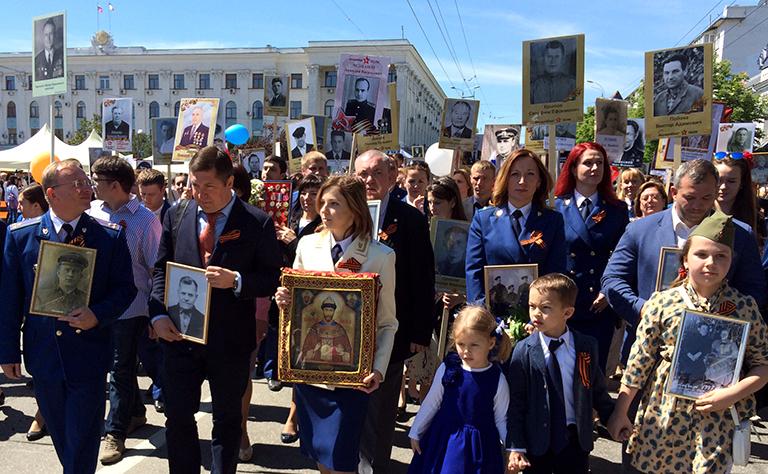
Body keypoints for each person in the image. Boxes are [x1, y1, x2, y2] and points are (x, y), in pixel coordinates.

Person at [148, 146, 282, 473]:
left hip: (230, 342)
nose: (199, 193)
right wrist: (158, 314)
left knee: (227, 419)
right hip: (181, 336)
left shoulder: (257, 222)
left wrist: (236, 280)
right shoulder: (176, 214)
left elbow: (270, 278)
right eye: (194, 185)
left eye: (208, 186)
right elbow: (161, 269)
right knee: (178, 417)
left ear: (229, 183)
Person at [0, 159, 136, 473]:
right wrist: (7, 350)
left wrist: (97, 314)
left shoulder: (109, 237)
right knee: (63, 437)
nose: (87, 188)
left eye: (86, 182)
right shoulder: (21, 237)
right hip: (43, 355)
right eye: (76, 184)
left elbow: (125, 289)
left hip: (88, 354)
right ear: (52, 194)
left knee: (85, 438)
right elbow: (8, 298)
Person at [607, 211, 768, 473]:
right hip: (662, 415)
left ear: (732, 262)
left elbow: (763, 365)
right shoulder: (662, 302)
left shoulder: (744, 308)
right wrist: (620, 411)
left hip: (716, 421)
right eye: (701, 254)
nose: (710, 263)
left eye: (720, 256)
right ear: (685, 258)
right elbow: (639, 361)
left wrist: (731, 395)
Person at [274, 175, 397, 474]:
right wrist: (285, 299)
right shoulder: (307, 245)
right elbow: (299, 307)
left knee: (342, 460)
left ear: (355, 209)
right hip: (311, 375)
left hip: (352, 377)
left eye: (334, 204)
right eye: (323, 204)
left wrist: (378, 369)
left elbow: (387, 323)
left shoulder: (381, 256)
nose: (325, 211)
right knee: (322, 459)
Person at [354, 150, 435, 473]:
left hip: (392, 328)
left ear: (391, 178)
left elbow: (422, 276)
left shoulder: (411, 219)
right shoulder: (343, 214)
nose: (369, 181)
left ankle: (374, 465)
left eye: (376, 174)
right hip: (346, 326)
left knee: (381, 405)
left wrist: (419, 331)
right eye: (363, 174)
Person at [88, 156, 163, 465]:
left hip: (132, 310)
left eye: (97, 181)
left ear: (115, 185)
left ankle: (115, 432)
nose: (92, 186)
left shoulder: (145, 220)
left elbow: (156, 269)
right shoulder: (92, 213)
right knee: (118, 368)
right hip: (96, 309)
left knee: (120, 369)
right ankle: (134, 412)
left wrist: (155, 314)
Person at [507, 273, 615, 474]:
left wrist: (614, 419)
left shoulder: (585, 346)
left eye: (545, 308)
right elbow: (516, 403)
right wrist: (516, 446)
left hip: (575, 441)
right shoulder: (523, 351)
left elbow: (597, 390)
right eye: (532, 306)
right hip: (537, 442)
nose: (536, 314)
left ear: (568, 312)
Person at [553, 142, 629, 370]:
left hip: (598, 304)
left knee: (590, 375)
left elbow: (623, 258)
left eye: (600, 163)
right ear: (573, 168)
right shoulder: (554, 206)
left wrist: (609, 291)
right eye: (588, 162)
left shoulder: (617, 210)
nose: (595, 167)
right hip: (562, 303)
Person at [408, 306, 511, 473]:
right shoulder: (448, 369)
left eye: (474, 345)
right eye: (460, 344)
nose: (466, 351)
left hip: (480, 447)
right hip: (444, 438)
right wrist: (416, 431)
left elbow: (501, 418)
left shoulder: (497, 379)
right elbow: (432, 402)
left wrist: (510, 448)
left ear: (491, 343)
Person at [466, 148, 567, 307]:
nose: (522, 181)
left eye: (530, 174)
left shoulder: (553, 221)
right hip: (492, 317)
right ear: (505, 179)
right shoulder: (483, 219)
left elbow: (556, 273)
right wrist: (481, 314)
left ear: (539, 181)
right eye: (515, 174)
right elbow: (474, 273)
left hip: (537, 315)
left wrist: (544, 312)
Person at [714, 153, 759, 238]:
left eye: (731, 181)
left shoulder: (755, 220)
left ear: (742, 183)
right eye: (718, 180)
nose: (723, 187)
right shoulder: (697, 214)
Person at [298, 296, 353, 365]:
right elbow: (305, 350)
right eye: (326, 310)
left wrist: (342, 353)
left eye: (331, 310)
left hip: (337, 367)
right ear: (323, 311)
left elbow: (348, 351)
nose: (328, 313)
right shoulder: (314, 328)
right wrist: (313, 350)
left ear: (334, 311)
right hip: (314, 367)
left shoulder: (340, 329)